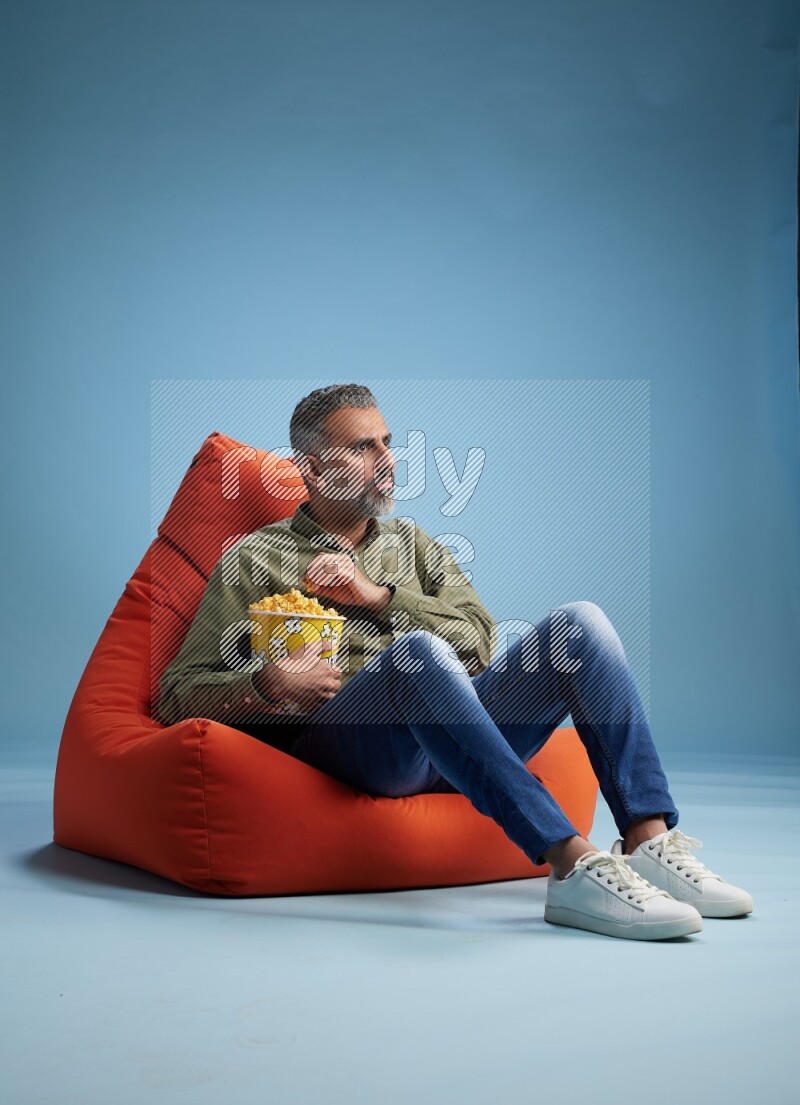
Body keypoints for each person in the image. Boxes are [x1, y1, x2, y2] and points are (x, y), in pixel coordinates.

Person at [158, 383, 754, 940]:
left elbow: (479, 643)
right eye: (362, 448)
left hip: (458, 739)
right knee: (416, 655)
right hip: (356, 748)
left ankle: (648, 841)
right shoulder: (253, 560)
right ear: (311, 470)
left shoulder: (414, 546)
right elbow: (174, 694)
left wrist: (378, 596)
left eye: (387, 442)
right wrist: (267, 683)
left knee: (582, 624)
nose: (387, 460)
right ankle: (571, 864)